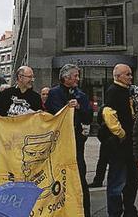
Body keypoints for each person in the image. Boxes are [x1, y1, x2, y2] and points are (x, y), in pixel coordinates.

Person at [45, 64, 92, 217]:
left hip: (76, 142)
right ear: (66, 78)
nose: (78, 79)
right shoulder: (54, 93)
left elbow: (89, 116)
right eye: (75, 76)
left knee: (79, 176)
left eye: (78, 76)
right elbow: (54, 114)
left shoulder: (81, 95)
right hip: (59, 143)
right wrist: (67, 106)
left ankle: (84, 211)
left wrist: (79, 107)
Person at [98, 64, 138, 217]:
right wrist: (122, 134)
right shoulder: (114, 91)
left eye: (130, 74)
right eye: (127, 74)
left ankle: (129, 209)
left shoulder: (125, 91)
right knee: (117, 182)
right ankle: (115, 213)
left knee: (131, 181)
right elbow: (108, 114)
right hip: (118, 147)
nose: (130, 77)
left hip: (127, 146)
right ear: (118, 76)